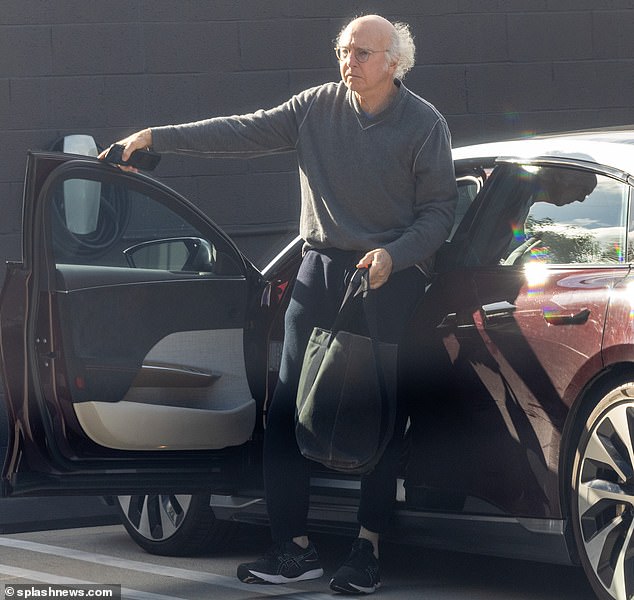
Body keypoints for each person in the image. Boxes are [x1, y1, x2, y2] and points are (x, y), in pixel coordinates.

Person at [101, 14, 458, 594]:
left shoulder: (424, 126)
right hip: (318, 273)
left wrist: (395, 255)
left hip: (387, 280)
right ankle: (292, 549)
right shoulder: (317, 106)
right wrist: (155, 137)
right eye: (344, 51)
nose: (349, 62)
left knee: (374, 419)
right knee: (286, 412)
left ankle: (367, 550)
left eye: (363, 53)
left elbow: (440, 212)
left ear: (395, 63)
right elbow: (242, 130)